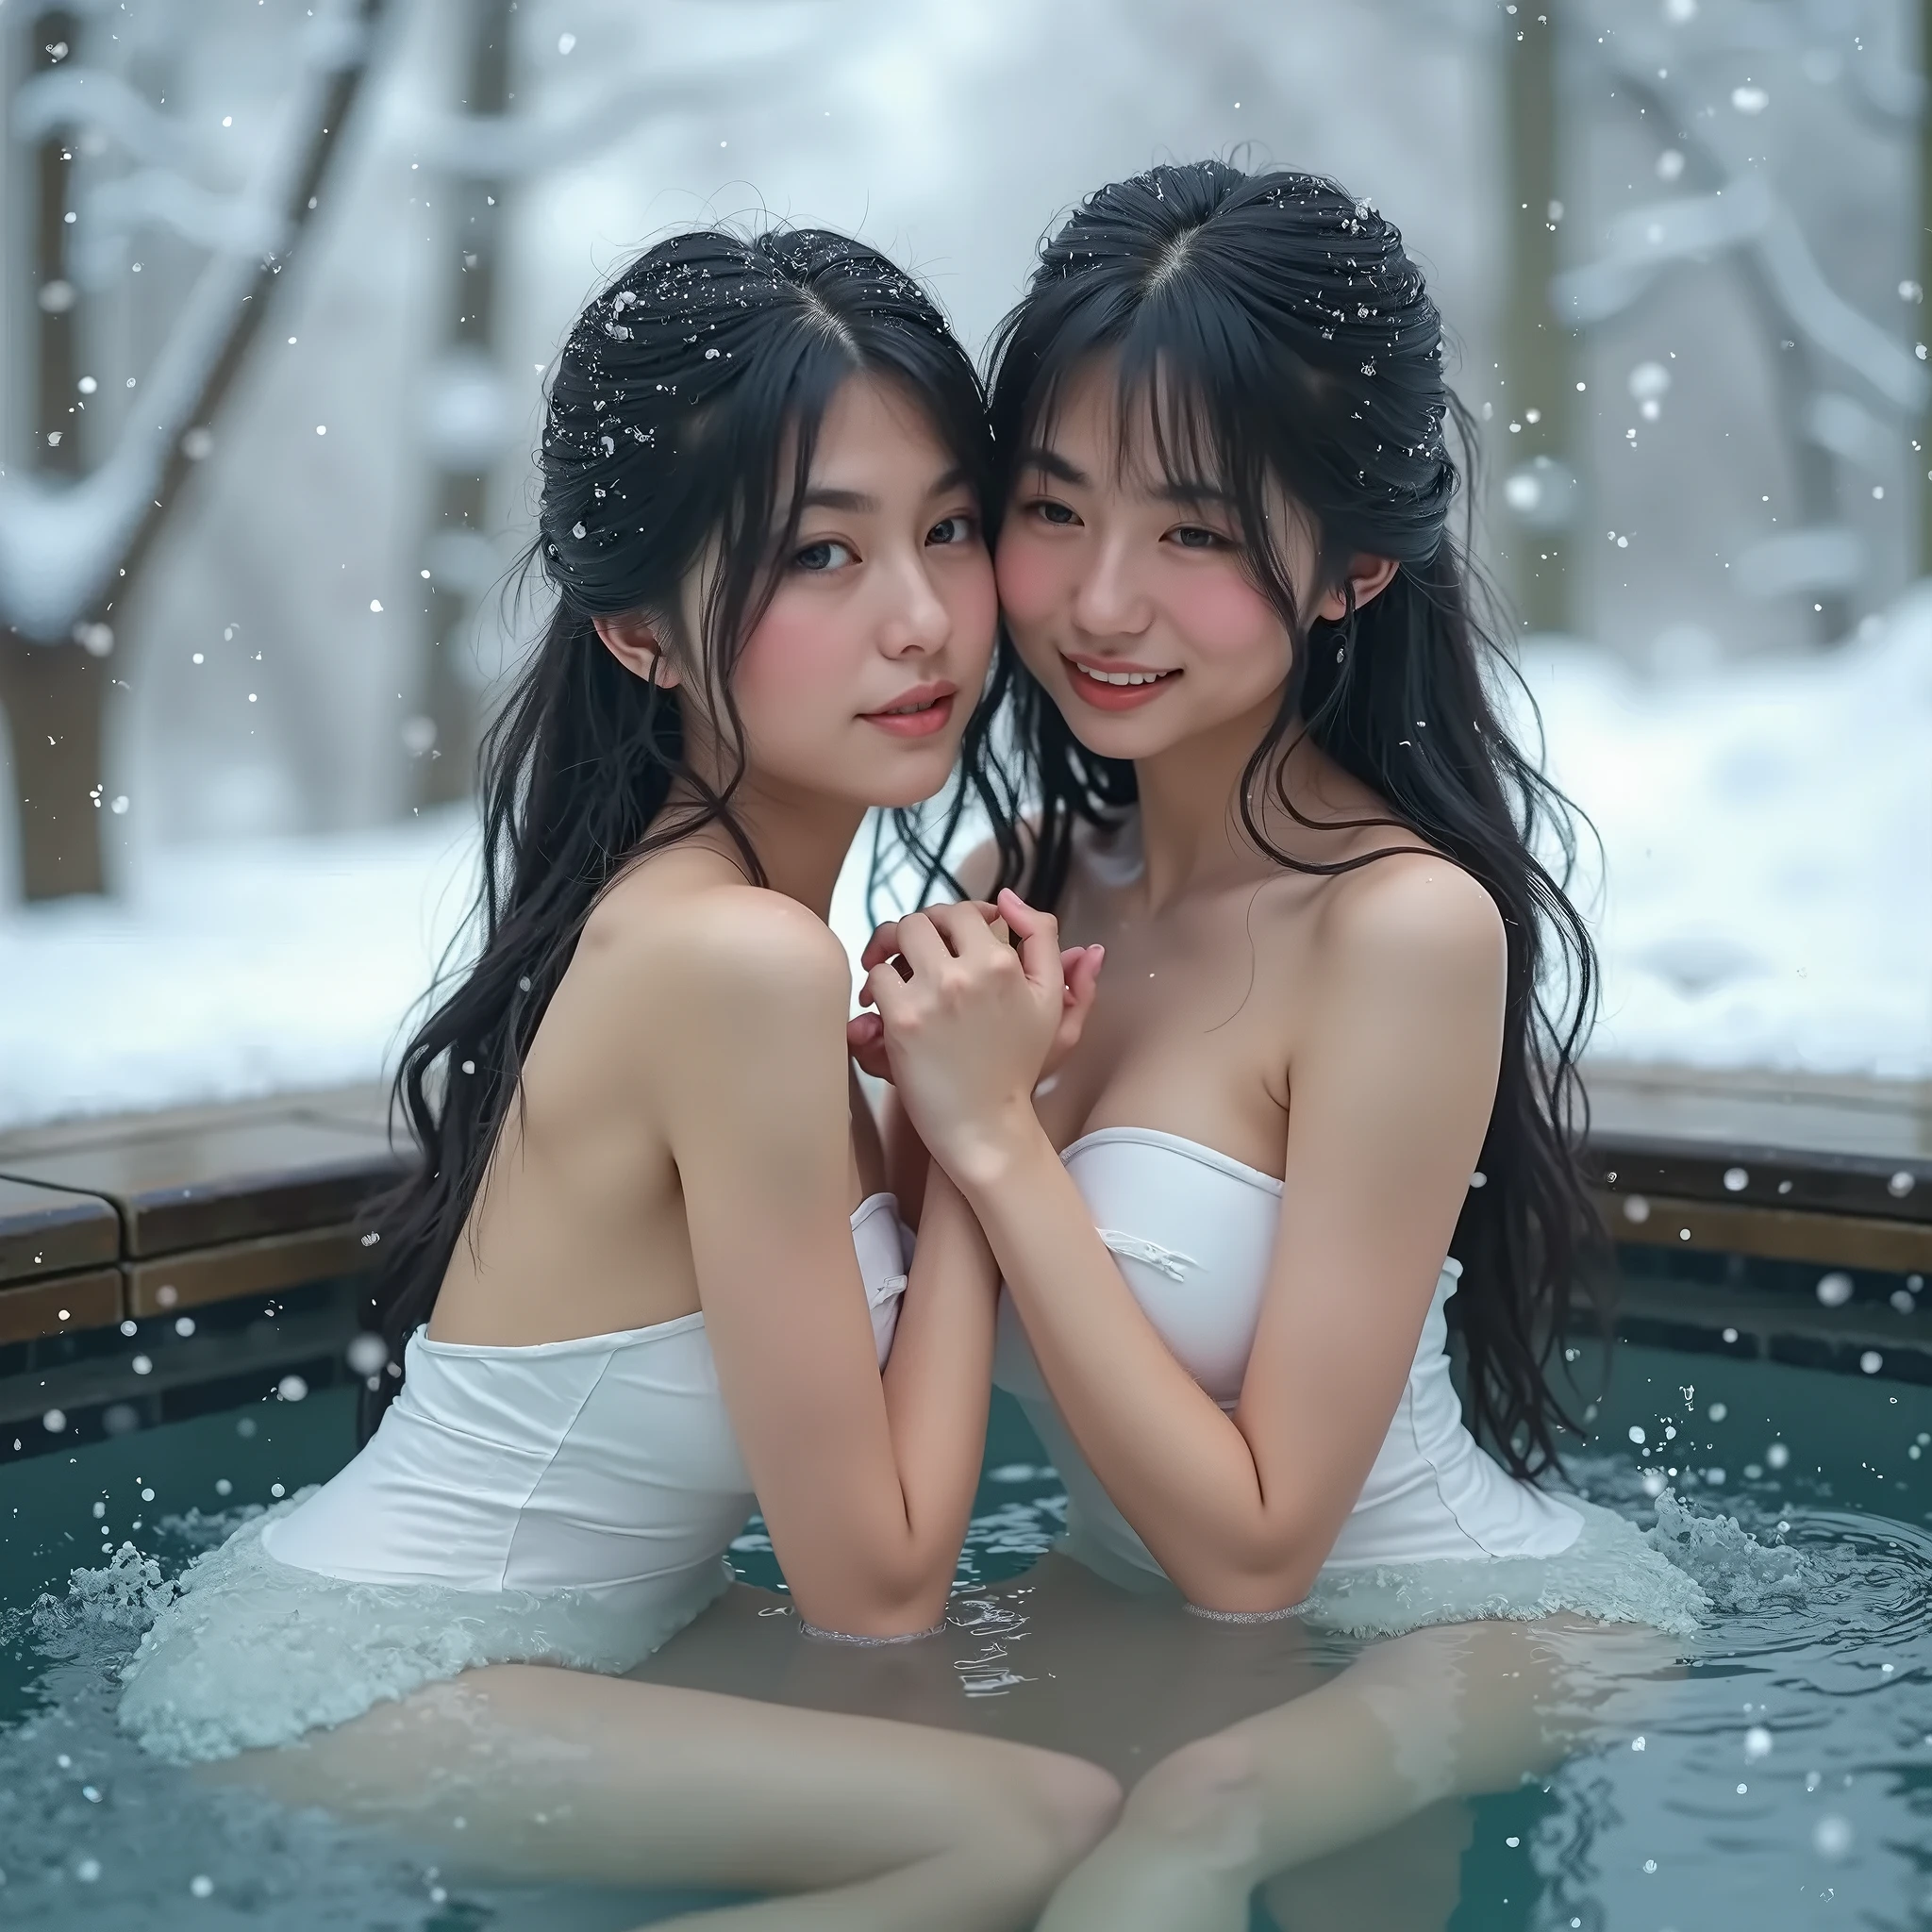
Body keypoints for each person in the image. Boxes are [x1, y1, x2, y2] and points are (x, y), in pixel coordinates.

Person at [115, 225, 1119, 1931]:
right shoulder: (735, 958)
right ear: (641, 631)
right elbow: (875, 1585)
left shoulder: (724, 922)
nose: (920, 616)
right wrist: (973, 1132)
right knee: (1032, 1824)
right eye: (820, 554)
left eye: (949, 527)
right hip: (374, 1676)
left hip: (508, 1641)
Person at [859, 163, 1703, 1929]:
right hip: (1125, 1603)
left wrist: (999, 1142)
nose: (1100, 602)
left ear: (1355, 565)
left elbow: (1259, 1553)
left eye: (1198, 532)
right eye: (1054, 508)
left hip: (1439, 1625)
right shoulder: (1031, 880)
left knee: (1184, 1828)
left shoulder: (1399, 930)